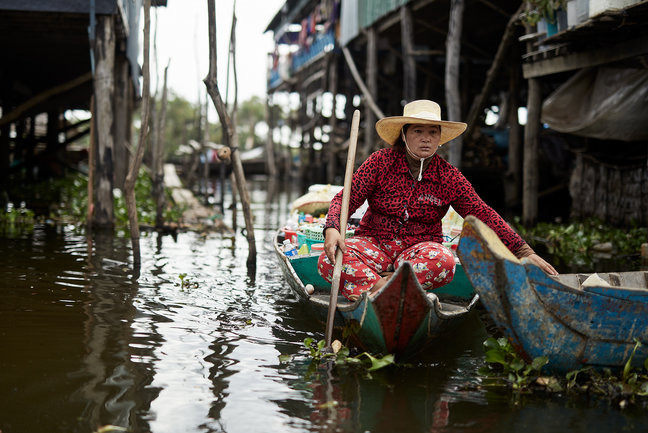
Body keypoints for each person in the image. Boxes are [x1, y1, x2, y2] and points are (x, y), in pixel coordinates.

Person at [318, 99, 557, 301]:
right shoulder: (380, 162)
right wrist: (332, 228)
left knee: (444, 262)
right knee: (328, 261)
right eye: (418, 131)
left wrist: (523, 250)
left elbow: (483, 214)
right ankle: (386, 289)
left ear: (440, 138)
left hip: (418, 250)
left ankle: (382, 286)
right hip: (374, 243)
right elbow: (345, 199)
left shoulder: (449, 177)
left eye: (433, 132)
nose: (426, 139)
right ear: (404, 134)